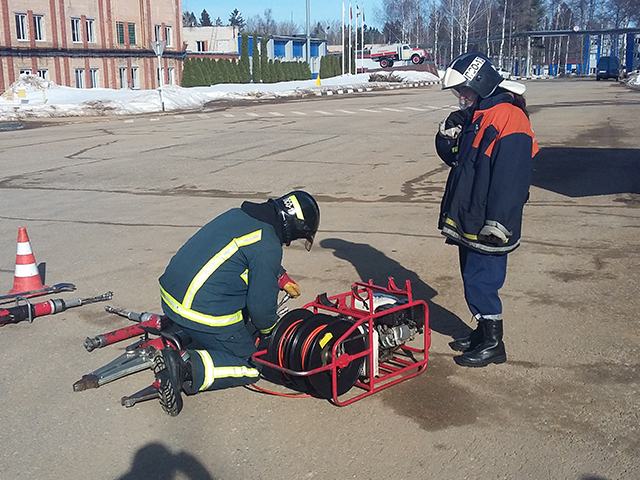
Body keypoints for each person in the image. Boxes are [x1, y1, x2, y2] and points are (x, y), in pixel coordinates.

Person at [153, 191, 320, 416]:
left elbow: (247, 253)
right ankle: (185, 367)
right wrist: (271, 332)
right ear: (291, 227)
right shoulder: (268, 244)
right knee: (251, 364)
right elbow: (261, 309)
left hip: (170, 297)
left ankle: (195, 338)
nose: (289, 242)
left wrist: (279, 276)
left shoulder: (240, 216)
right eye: (294, 236)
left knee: (242, 318)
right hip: (196, 312)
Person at [434, 52, 538, 368]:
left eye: (464, 89)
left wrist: (499, 221)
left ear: (481, 82)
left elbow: (513, 176)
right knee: (471, 276)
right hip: (471, 214)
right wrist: (446, 136)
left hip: (490, 220)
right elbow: (459, 160)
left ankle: (494, 343)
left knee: (483, 281)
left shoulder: (509, 117)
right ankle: (482, 332)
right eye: (458, 91)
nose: (461, 96)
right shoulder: (479, 114)